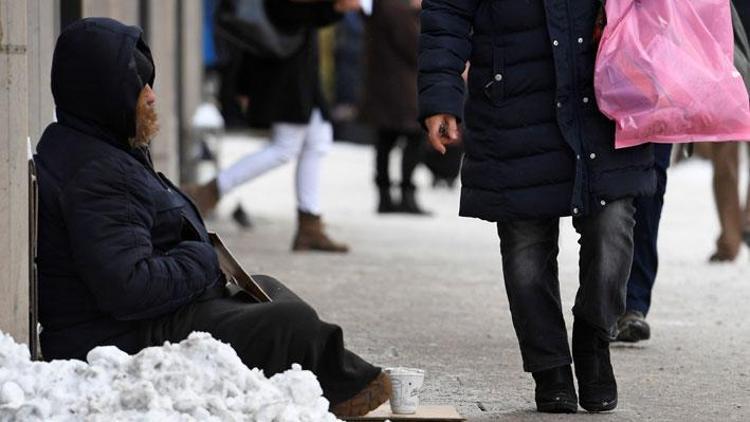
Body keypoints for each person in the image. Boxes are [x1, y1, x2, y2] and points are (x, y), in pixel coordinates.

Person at [35, 18, 388, 417]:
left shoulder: (99, 145)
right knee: (290, 320)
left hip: (139, 317)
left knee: (266, 289)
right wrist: (202, 258)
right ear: (102, 92)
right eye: (139, 85)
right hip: (117, 337)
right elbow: (128, 287)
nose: (151, 96)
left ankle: (342, 382)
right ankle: (348, 388)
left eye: (150, 82)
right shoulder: (98, 171)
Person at [418, 1, 656, 414]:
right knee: (526, 246)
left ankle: (593, 337)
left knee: (614, 225)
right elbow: (446, 14)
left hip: (603, 96)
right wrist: (440, 94)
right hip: (513, 103)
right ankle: (550, 367)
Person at [185, 0, 360, 253]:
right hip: (286, 75)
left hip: (297, 73)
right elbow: (287, 14)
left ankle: (309, 224)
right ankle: (209, 191)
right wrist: (334, 8)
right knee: (285, 146)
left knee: (317, 138)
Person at [362, 0, 430, 214]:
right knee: (414, 136)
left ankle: (385, 196)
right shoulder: (396, 8)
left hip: (384, 85)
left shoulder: (382, 7)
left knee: (385, 140)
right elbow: (414, 46)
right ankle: (405, 195)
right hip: (400, 88)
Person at [707, 1, 750, 263]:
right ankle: (730, 238)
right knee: (723, 152)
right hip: (725, 50)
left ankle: (742, 227)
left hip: (726, 46)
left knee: (724, 155)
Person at [616, 145, 672, 342]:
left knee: (650, 188)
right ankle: (604, 303)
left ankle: (632, 304)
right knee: (607, 188)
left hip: (658, 119)